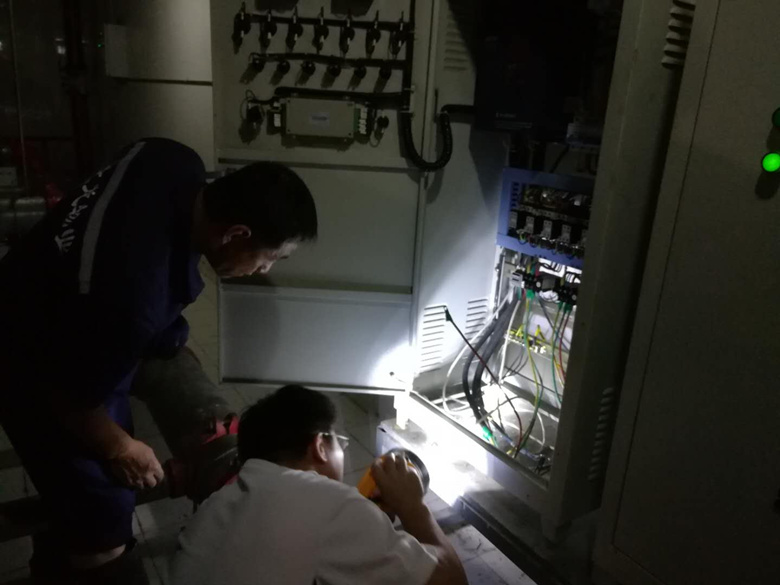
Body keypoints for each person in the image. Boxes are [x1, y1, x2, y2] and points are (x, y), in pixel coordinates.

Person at [0, 138, 317, 584]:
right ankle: (85, 559)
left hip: (37, 284)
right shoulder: (132, 300)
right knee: (103, 504)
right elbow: (69, 395)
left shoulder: (169, 158)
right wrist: (122, 448)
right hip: (27, 351)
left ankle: (55, 550)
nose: (265, 270)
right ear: (236, 234)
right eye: (270, 257)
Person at [170, 385, 468, 585]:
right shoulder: (335, 507)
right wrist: (413, 507)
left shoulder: (216, 505)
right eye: (341, 443)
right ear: (320, 446)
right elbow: (452, 580)